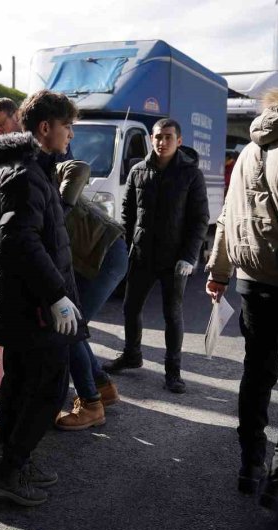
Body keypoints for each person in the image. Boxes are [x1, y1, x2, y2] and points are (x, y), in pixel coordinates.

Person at [206, 82, 278, 517]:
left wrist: (218, 273)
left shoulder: (252, 150)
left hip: (253, 282)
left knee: (258, 375)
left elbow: (226, 219)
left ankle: (249, 465)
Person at [0, 90, 86, 507]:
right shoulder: (24, 173)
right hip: (31, 307)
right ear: (45, 128)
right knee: (46, 388)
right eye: (67, 127)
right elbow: (19, 240)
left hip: (22, 305)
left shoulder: (27, 167)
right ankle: (8, 471)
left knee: (21, 385)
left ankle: (18, 460)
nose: (70, 135)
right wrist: (56, 296)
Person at [103, 118, 210, 393]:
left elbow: (200, 219)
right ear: (152, 138)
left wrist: (189, 256)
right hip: (141, 254)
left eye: (169, 137)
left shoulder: (190, 173)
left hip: (175, 261)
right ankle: (131, 355)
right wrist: (123, 247)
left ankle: (173, 372)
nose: (163, 142)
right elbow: (127, 213)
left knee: (172, 315)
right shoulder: (138, 170)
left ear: (179, 141)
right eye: (158, 137)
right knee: (130, 308)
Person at [54, 161, 128, 430]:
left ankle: (91, 404)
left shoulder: (37, 164)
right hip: (89, 258)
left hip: (105, 252)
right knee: (72, 326)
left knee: (68, 329)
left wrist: (60, 210)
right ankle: (101, 386)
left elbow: (80, 168)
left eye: (0, 126)